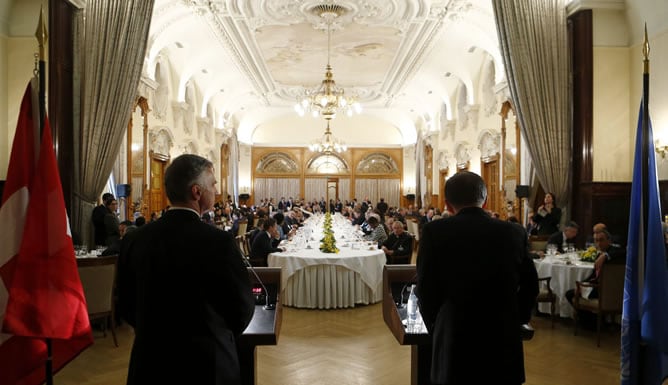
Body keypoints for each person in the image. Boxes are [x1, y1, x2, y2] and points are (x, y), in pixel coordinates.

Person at [118, 154, 255, 385]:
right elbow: (241, 307)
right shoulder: (218, 242)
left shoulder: (135, 239)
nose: (216, 189)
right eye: (213, 184)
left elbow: (126, 303)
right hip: (206, 363)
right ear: (197, 192)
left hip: (150, 362)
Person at [416, 171, 538, 385]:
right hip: (502, 332)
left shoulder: (435, 231)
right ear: (485, 200)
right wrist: (516, 318)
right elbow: (530, 284)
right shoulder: (514, 232)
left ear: (447, 204)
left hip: (455, 332)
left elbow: (426, 288)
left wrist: (437, 324)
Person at [565, 229, 626, 328]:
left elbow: (624, 252)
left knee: (571, 294)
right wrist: (581, 284)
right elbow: (593, 275)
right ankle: (592, 322)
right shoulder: (599, 254)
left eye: (601, 240)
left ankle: (591, 323)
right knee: (571, 293)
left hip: (606, 291)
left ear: (609, 241)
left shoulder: (613, 252)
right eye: (596, 240)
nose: (598, 243)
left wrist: (605, 255)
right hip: (595, 287)